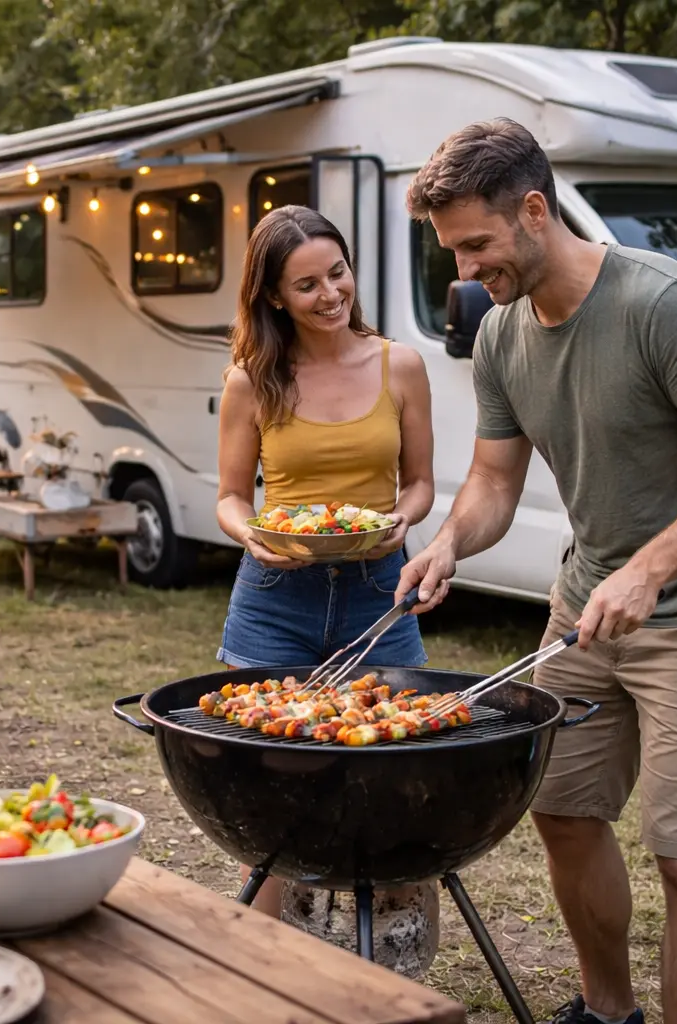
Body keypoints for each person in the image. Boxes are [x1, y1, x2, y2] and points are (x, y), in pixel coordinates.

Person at [397, 120, 677, 1024]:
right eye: (452, 249)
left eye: (476, 244)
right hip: (586, 604)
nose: (464, 271)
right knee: (562, 811)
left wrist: (650, 571)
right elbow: (495, 482)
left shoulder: (663, 304)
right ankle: (608, 1013)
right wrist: (451, 542)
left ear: (534, 211)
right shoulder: (500, 335)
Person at [214, 204, 437, 960]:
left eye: (336, 273)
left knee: (397, 780)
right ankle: (269, 967)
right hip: (275, 596)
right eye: (306, 284)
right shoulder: (253, 378)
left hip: (379, 591)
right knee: (267, 789)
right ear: (274, 296)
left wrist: (401, 522)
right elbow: (230, 498)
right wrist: (253, 536)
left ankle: (397, 968)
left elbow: (421, 484)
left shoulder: (399, 364)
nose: (330, 293)